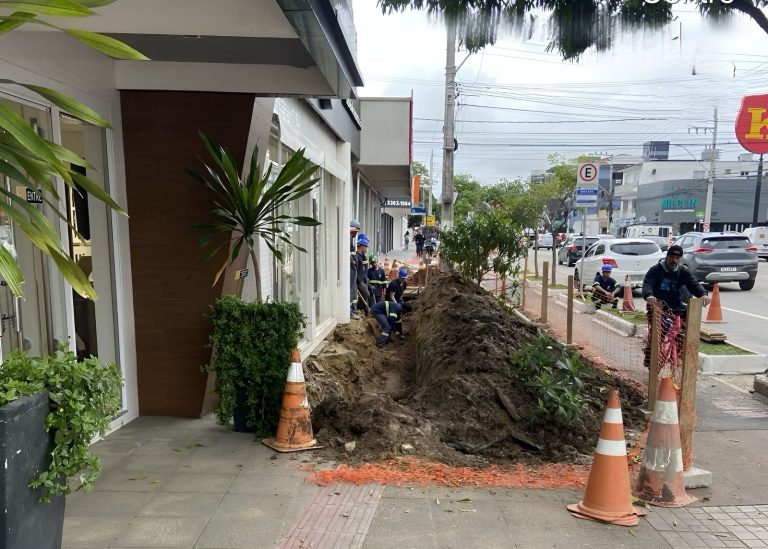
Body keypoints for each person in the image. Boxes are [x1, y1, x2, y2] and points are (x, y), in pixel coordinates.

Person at [641, 244, 711, 368]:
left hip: (676, 306)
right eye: (672, 257)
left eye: (677, 258)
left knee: (686, 331)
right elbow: (648, 284)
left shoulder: (682, 271)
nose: (674, 260)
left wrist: (703, 294)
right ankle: (650, 359)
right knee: (658, 335)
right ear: (667, 257)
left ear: (681, 259)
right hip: (657, 306)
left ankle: (679, 354)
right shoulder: (656, 270)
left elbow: (693, 283)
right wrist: (649, 295)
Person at [354, 233, 373, 314]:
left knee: (367, 294)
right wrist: (359, 281)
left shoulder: (363, 257)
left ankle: (365, 310)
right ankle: (360, 308)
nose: (366, 248)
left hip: (363, 279)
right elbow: (356, 270)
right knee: (366, 294)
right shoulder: (357, 256)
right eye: (365, 246)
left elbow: (364, 269)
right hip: (359, 281)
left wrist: (366, 280)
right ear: (361, 246)